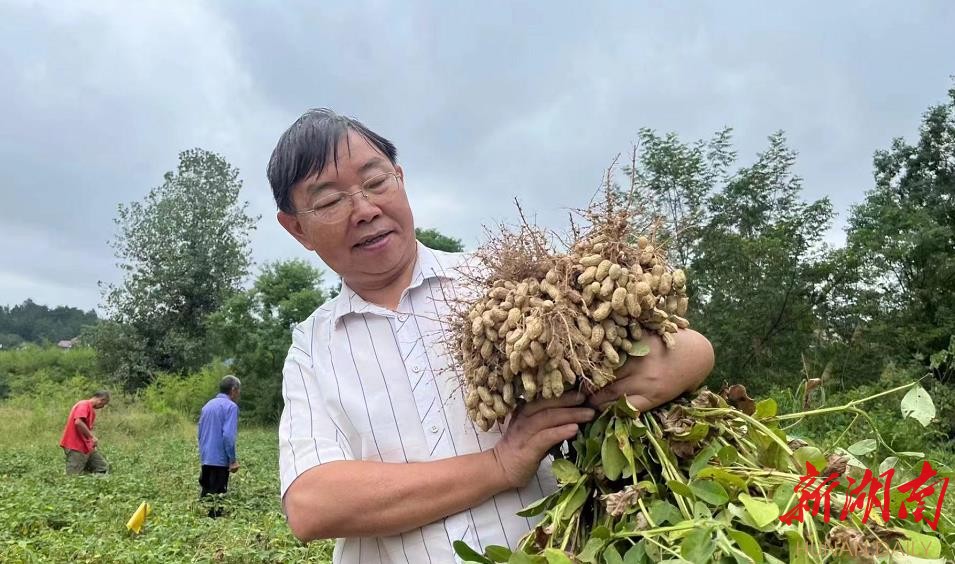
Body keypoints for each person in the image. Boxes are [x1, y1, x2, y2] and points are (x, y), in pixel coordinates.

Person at [269, 109, 716, 563]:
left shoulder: (504, 283)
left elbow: (687, 353)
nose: (365, 210)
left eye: (376, 181)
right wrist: (500, 465)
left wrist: (675, 363)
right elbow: (312, 505)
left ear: (400, 179)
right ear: (298, 228)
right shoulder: (313, 346)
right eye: (329, 202)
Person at [198, 375, 241, 517]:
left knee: (206, 497)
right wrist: (232, 460)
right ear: (233, 390)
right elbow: (228, 436)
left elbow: (200, 433)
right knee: (217, 504)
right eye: (238, 390)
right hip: (220, 460)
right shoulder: (231, 407)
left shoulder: (207, 406)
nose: (239, 394)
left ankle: (200, 527)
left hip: (206, 458)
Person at [59, 390, 111, 474]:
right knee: (73, 476)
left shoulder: (91, 410)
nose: (102, 407)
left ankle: (96, 485)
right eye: (103, 404)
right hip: (75, 446)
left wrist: (90, 442)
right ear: (101, 400)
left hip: (86, 446)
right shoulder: (84, 404)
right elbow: (78, 422)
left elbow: (85, 428)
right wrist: (92, 437)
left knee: (101, 467)